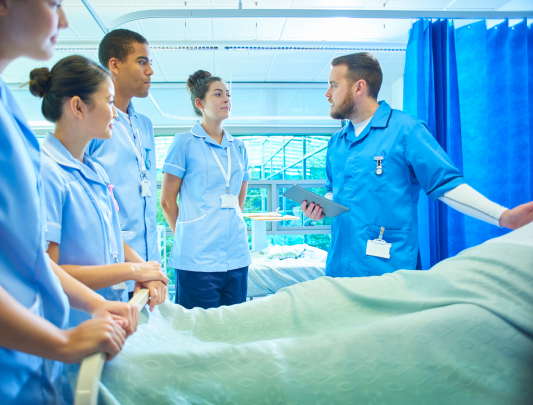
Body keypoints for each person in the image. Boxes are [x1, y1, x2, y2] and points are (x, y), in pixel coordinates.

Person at [0, 2, 137, 404]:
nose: (63, 19)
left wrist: (98, 306)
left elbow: (23, 254)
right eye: (54, 4)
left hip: (21, 362)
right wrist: (60, 342)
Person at [302, 52, 533, 278]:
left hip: (388, 270)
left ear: (358, 87)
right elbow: (335, 192)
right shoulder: (337, 143)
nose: (327, 94)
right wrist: (322, 208)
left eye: (334, 85)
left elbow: (446, 185)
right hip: (339, 269)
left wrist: (503, 216)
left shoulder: (406, 130)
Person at [29, 55, 169, 327]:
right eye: (108, 102)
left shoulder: (95, 170)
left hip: (106, 319)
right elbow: (48, 270)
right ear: (78, 107)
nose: (115, 113)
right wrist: (133, 270)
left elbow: (115, 238)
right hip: (72, 325)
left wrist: (146, 270)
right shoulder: (47, 172)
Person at [160, 70, 251, 310]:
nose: (226, 100)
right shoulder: (184, 143)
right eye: (218, 94)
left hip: (237, 255)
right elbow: (167, 202)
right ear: (200, 103)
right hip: (196, 259)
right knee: (197, 333)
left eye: (228, 95)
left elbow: (239, 202)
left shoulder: (239, 148)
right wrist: (189, 236)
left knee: (232, 328)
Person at [87, 29, 159, 300]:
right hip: (111, 262)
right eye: (142, 62)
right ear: (114, 65)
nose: (150, 71)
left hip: (147, 262)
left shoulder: (145, 125)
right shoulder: (93, 122)